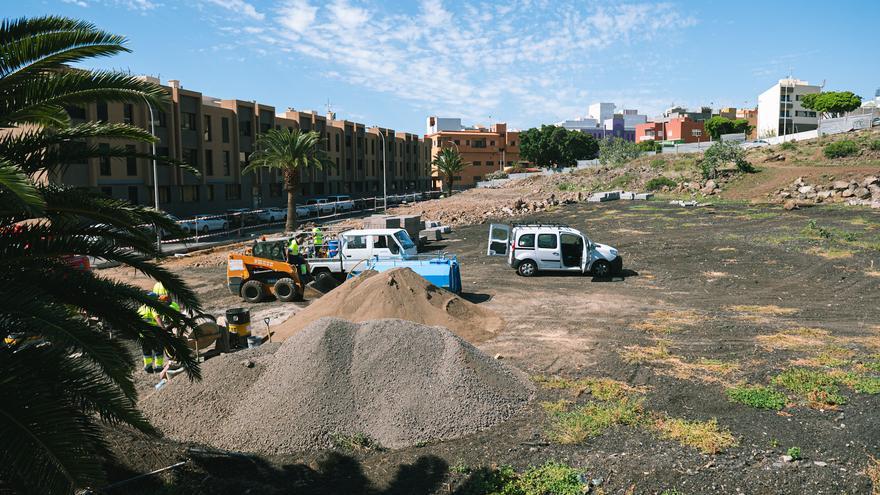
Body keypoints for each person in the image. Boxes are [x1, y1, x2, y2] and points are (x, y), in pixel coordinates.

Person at [137, 292, 165, 374]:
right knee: (158, 349)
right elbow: (157, 318)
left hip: (142, 333)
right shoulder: (152, 307)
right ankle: (158, 367)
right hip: (153, 332)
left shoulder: (141, 308)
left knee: (146, 351)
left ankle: (148, 367)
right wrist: (163, 328)